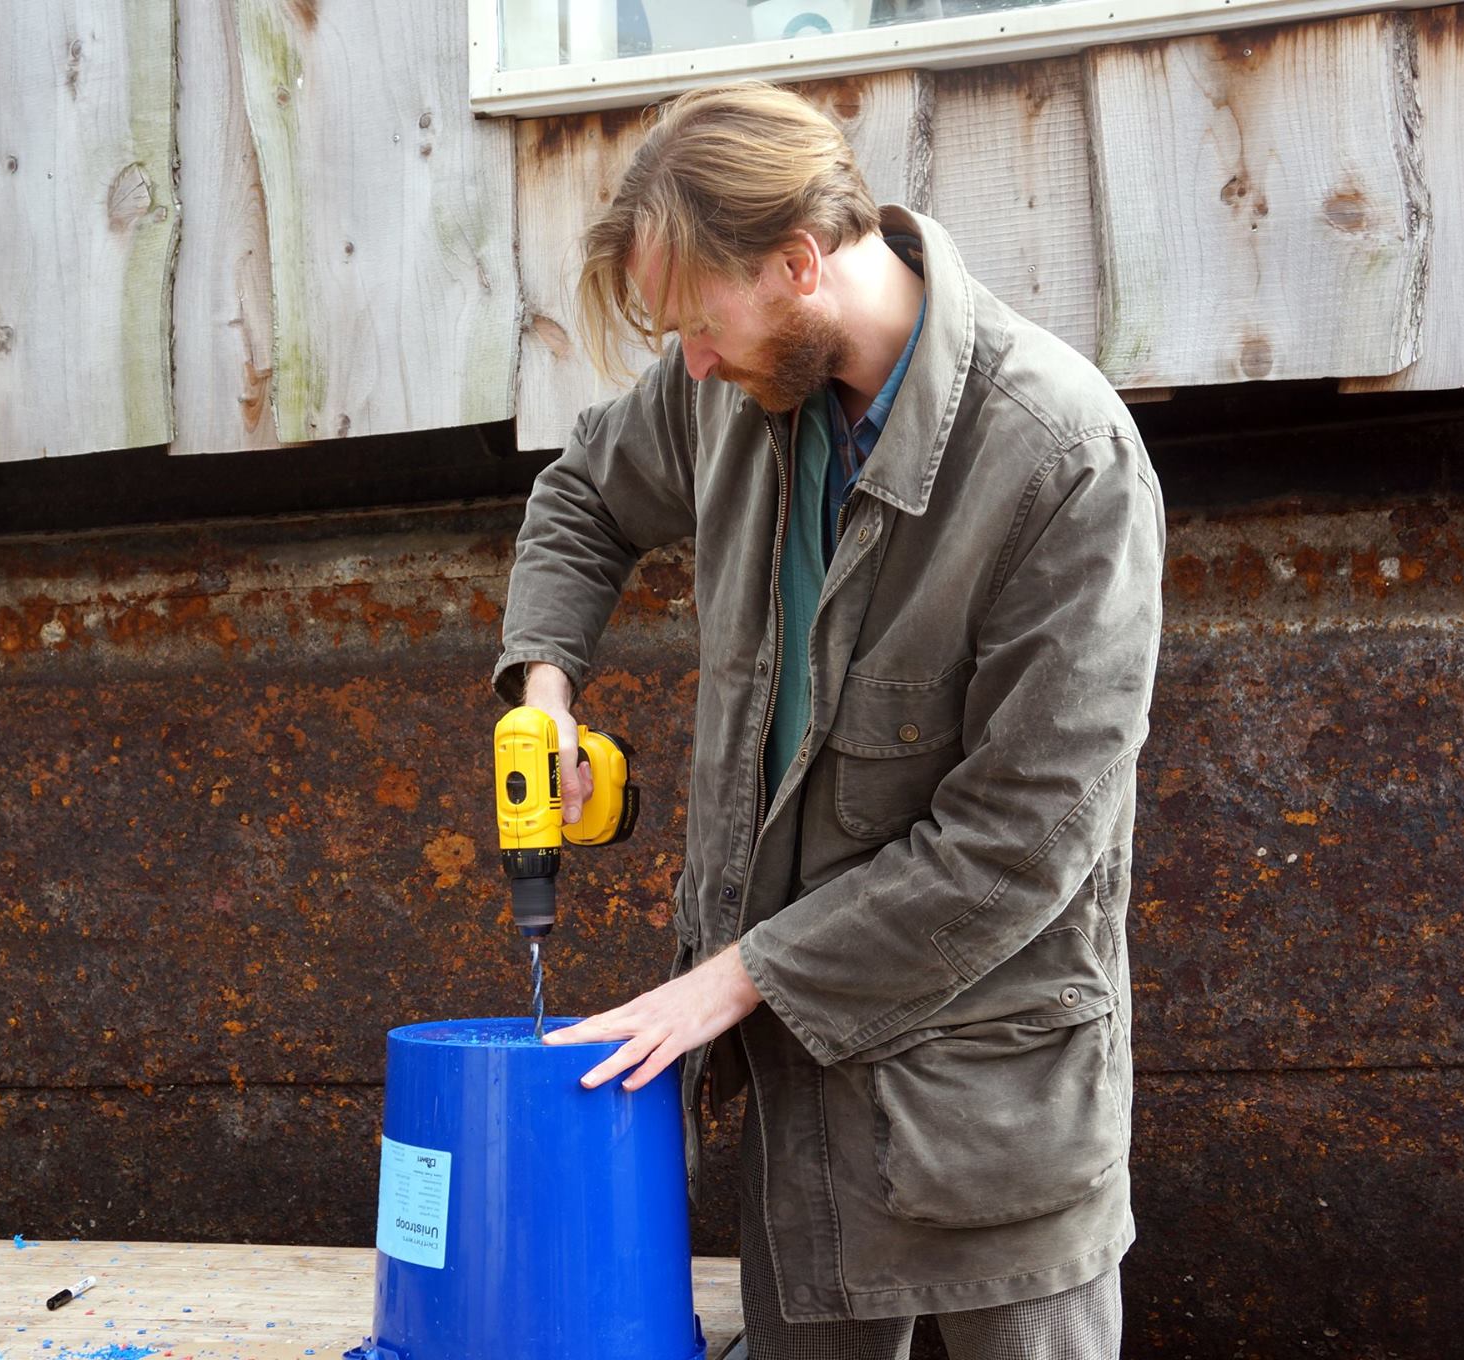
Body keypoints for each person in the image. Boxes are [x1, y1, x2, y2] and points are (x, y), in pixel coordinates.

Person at [493, 82, 1163, 1359]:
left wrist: (733, 979)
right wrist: (547, 687)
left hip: (991, 1130)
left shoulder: (1060, 456)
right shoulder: (725, 388)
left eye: (698, 321)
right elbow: (579, 495)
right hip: (795, 1115)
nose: (686, 359)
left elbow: (1021, 842)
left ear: (801, 261)